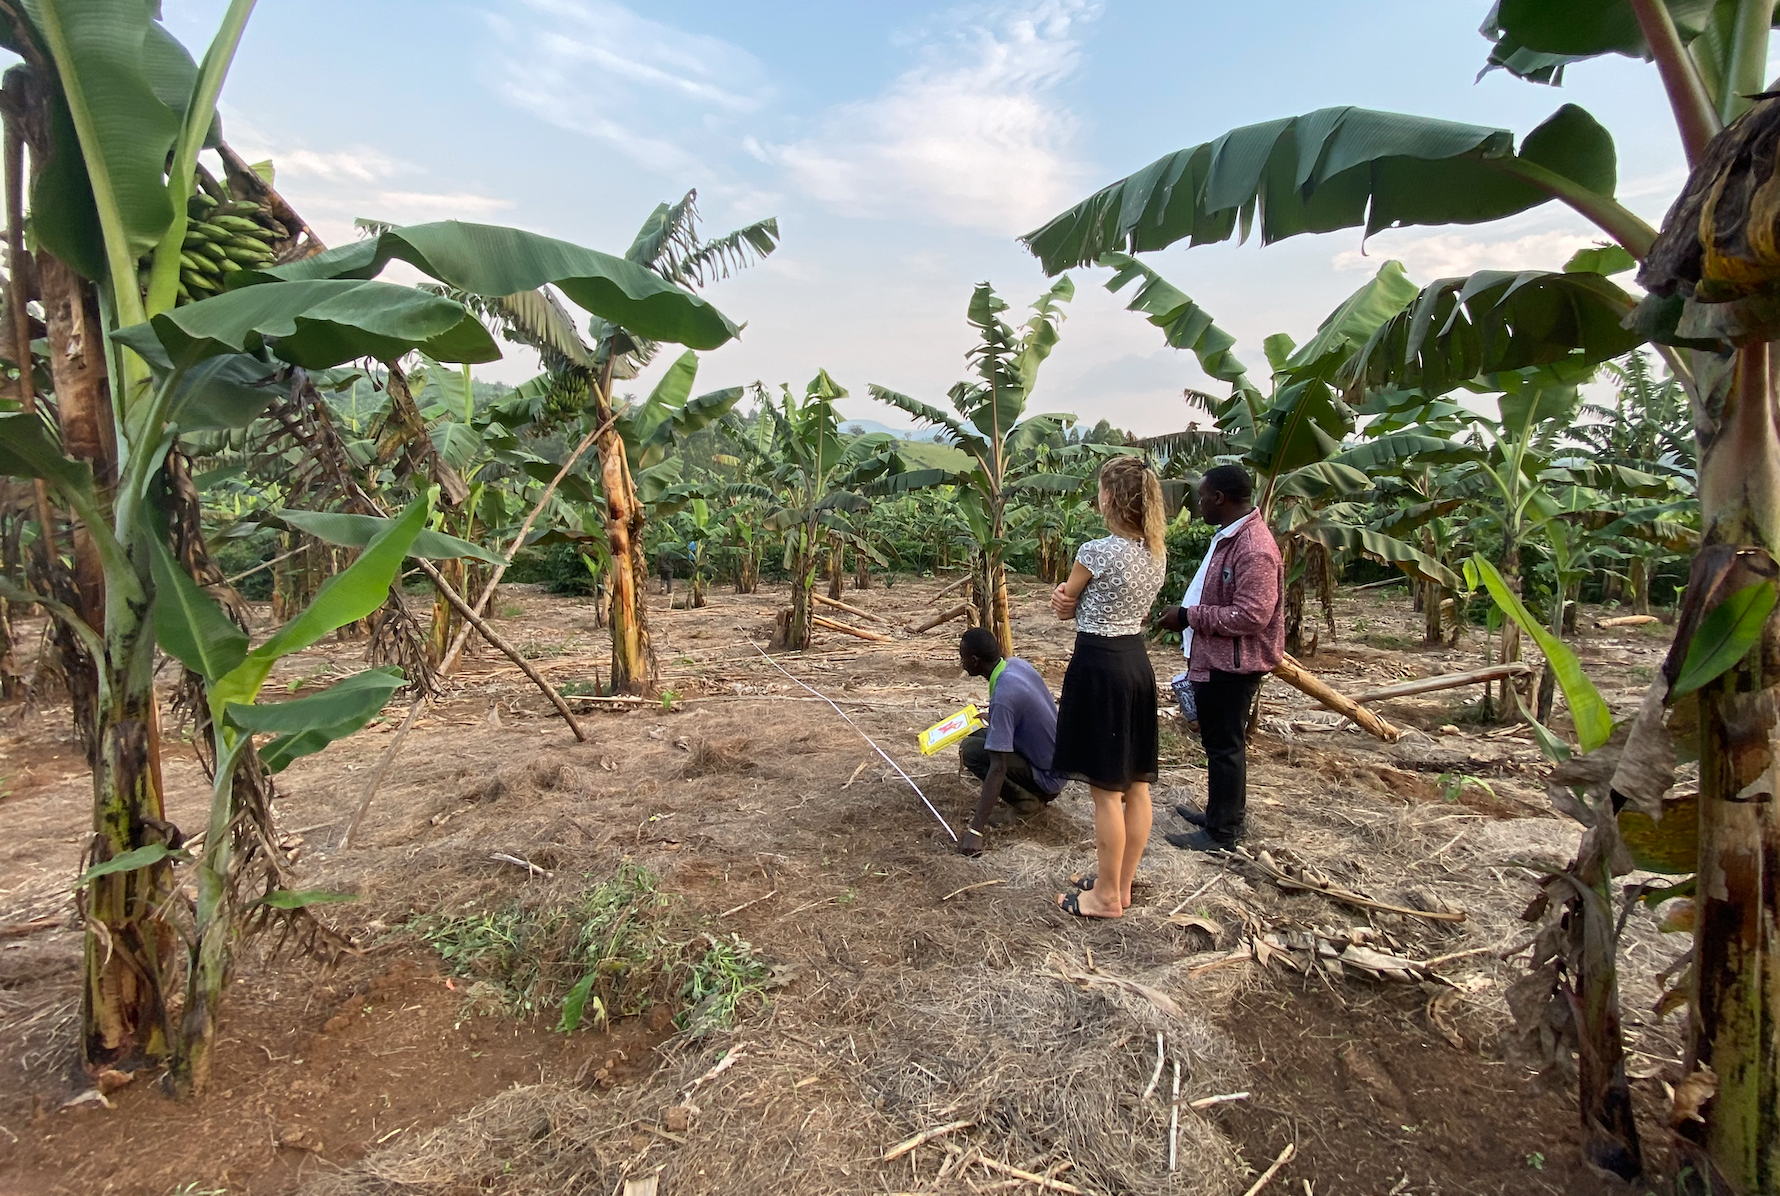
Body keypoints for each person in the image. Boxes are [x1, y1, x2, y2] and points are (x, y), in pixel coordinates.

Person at [1046, 456, 1168, 918]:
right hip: (1136, 664)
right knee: (1136, 783)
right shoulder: (1156, 552)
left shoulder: (1095, 551)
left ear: (1109, 497)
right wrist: (1069, 601)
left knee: (1105, 792)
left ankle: (1104, 899)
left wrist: (1063, 600)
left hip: (1099, 667)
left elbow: (1066, 602)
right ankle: (1122, 884)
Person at [1156, 464, 1284, 852]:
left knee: (1226, 747)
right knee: (1219, 745)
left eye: (1202, 497)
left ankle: (1222, 832)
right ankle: (1219, 814)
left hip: (1234, 664)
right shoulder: (1231, 537)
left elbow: (1251, 615)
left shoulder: (1254, 548)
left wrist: (1188, 617)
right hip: (1217, 660)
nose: (1198, 504)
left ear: (1219, 498)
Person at [955, 627, 1067, 856]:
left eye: (962, 657)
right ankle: (1029, 795)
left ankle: (1028, 803)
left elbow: (998, 767)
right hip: (1056, 760)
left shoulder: (1004, 695)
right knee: (978, 736)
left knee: (972, 750)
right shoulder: (1015, 666)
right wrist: (994, 718)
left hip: (1048, 777)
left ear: (975, 661)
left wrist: (975, 831)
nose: (961, 662)